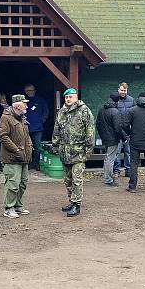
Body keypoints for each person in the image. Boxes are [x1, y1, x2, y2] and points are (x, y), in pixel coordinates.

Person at [52, 88, 95, 217]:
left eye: (70, 97)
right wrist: (55, 146)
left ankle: (77, 204)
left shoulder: (84, 111)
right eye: (66, 97)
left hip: (79, 153)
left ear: (76, 97)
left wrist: (87, 152)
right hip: (65, 152)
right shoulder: (62, 112)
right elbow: (56, 130)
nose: (68, 99)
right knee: (68, 180)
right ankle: (71, 201)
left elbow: (90, 132)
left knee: (77, 180)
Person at [0, 94, 33, 219]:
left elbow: (26, 135)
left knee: (23, 182)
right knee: (13, 183)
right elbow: (3, 136)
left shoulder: (22, 118)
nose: (27, 106)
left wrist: (29, 145)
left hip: (23, 157)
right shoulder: (6, 118)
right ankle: (9, 208)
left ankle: (18, 205)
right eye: (25, 103)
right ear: (18, 105)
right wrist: (16, 150)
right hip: (12, 158)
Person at [95, 93, 126, 186]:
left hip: (105, 137)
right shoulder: (115, 111)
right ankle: (108, 179)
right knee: (110, 159)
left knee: (107, 157)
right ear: (117, 101)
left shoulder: (101, 109)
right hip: (113, 138)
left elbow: (97, 124)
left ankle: (106, 177)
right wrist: (124, 137)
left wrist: (102, 135)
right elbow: (117, 128)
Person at [24, 84, 49, 169]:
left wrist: (42, 120)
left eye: (32, 90)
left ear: (35, 90)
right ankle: (28, 164)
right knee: (27, 147)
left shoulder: (40, 100)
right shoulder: (23, 101)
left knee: (38, 147)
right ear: (25, 92)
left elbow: (46, 111)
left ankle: (37, 163)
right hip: (25, 127)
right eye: (28, 91)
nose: (30, 92)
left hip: (38, 128)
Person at [114, 83, 135, 175]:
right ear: (118, 90)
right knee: (117, 152)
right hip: (117, 130)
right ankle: (116, 170)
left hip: (128, 130)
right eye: (121, 90)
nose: (123, 92)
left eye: (125, 91)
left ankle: (128, 170)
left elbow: (135, 113)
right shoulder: (115, 100)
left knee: (128, 151)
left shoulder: (131, 100)